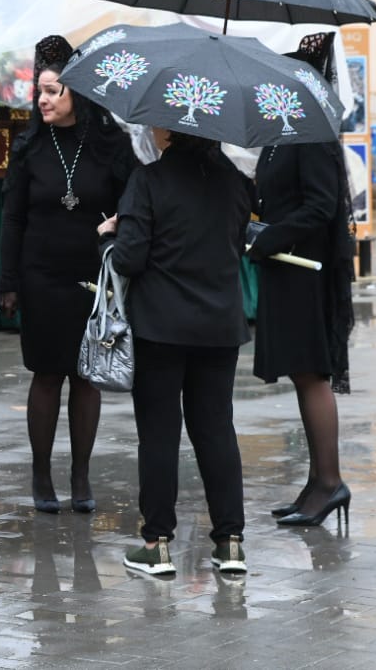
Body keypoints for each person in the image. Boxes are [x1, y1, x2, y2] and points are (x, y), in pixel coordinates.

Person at [98, 128, 254, 577]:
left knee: (160, 434)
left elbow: (129, 259)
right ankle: (230, 544)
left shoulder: (148, 181)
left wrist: (110, 235)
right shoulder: (237, 184)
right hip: (220, 327)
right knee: (216, 431)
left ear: (169, 129)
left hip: (160, 328)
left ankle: (157, 543)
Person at [0, 35, 137, 513]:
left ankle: (81, 475)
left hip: (92, 276)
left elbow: (131, 203)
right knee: (47, 374)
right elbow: (12, 216)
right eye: (39, 92)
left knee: (86, 377)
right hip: (41, 275)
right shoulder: (29, 146)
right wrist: (8, 281)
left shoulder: (110, 144)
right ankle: (41, 473)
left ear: (77, 91)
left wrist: (119, 229)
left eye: (53, 91)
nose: (43, 100)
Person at [249, 32, 357, 529]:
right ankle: (316, 483)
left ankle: (331, 482)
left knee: (313, 372)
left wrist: (271, 237)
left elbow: (319, 205)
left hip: (306, 272)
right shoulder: (283, 130)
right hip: (284, 270)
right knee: (301, 372)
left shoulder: (311, 131)